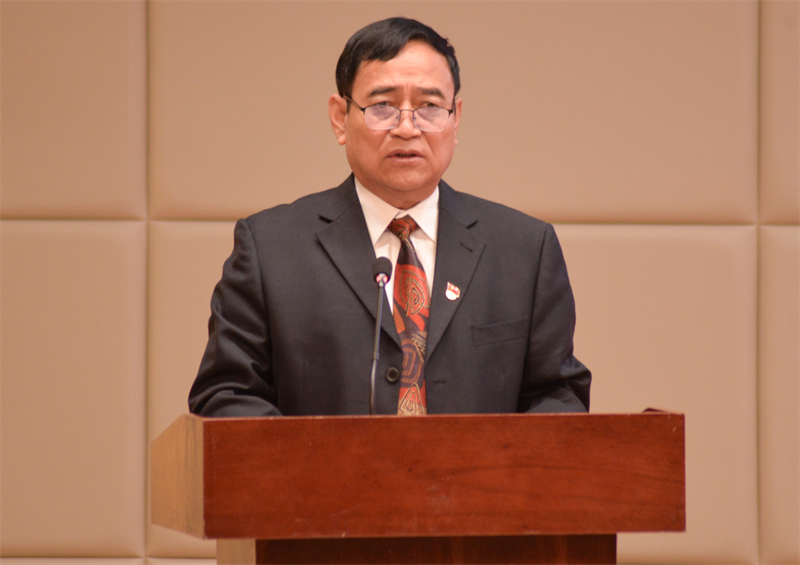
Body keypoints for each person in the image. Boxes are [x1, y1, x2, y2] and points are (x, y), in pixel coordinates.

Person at [188, 17, 590, 417]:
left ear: (455, 118)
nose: (407, 127)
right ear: (340, 118)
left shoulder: (524, 249)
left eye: (429, 106)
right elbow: (226, 397)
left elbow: (559, 397)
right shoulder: (271, 249)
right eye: (382, 106)